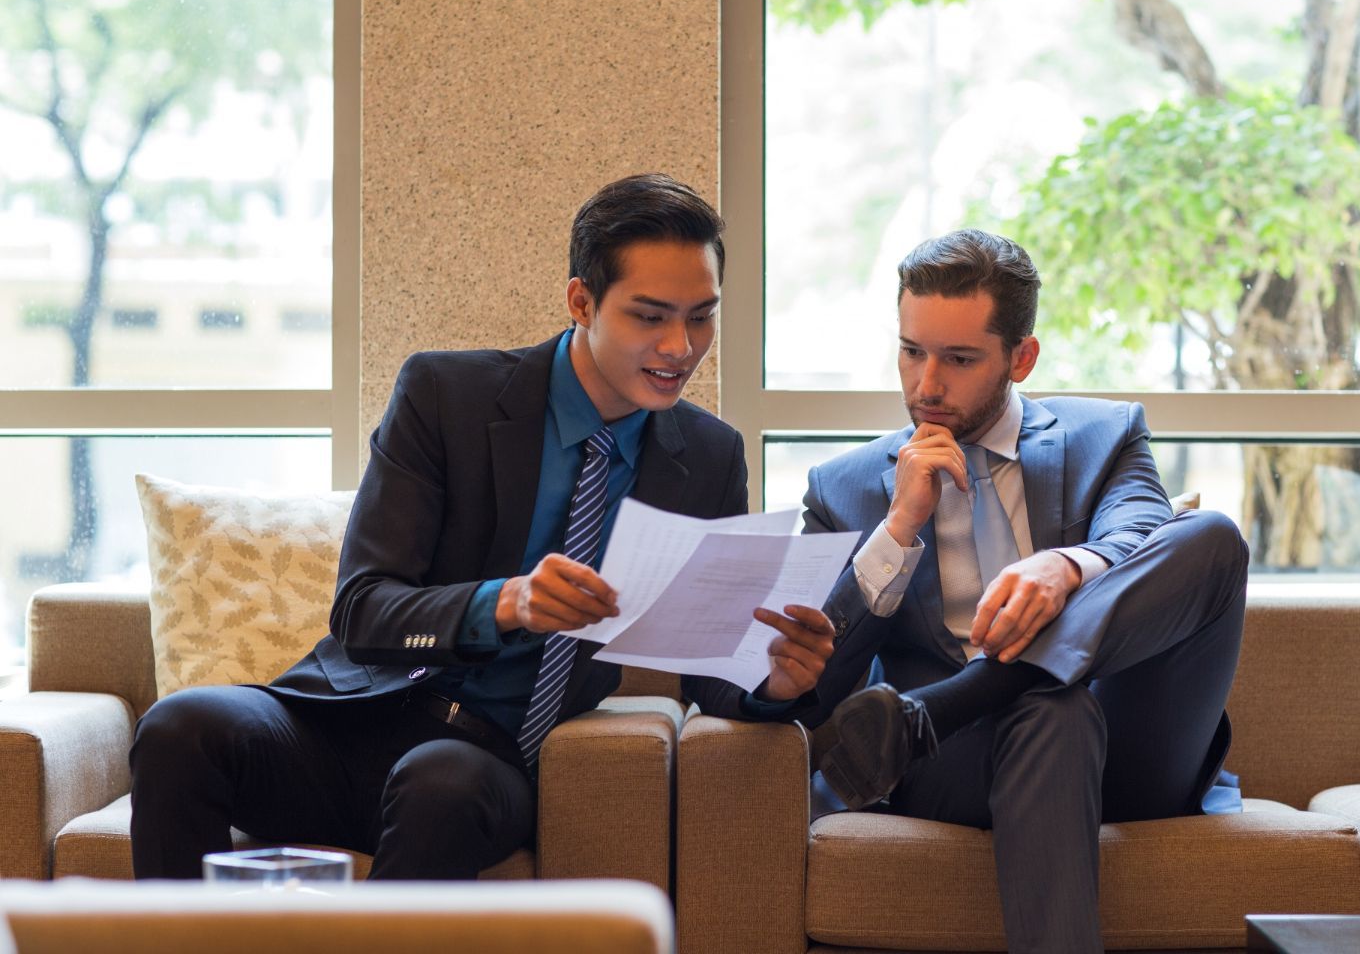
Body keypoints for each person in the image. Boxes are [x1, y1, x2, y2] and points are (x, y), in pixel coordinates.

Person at [130, 173, 835, 880]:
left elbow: (711, 669)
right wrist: (504, 603)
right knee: (179, 726)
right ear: (580, 301)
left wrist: (771, 681)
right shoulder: (445, 396)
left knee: (441, 783)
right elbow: (362, 608)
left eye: (701, 316)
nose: (681, 346)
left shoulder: (708, 458)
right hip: (344, 723)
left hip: (487, 758)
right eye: (650, 316)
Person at [800, 229, 1247, 954]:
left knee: (1214, 538)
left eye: (960, 359)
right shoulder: (845, 489)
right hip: (957, 766)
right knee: (1055, 712)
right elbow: (816, 683)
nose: (926, 385)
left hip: (1132, 744)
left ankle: (956, 700)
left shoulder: (1106, 435)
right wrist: (899, 526)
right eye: (912, 351)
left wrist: (1068, 567)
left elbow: (1140, 531)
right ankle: (974, 705)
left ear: (1022, 357)